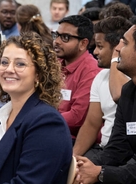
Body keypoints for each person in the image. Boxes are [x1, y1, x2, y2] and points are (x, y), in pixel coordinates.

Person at [0, 31, 72, 184]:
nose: (8, 69)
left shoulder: (47, 123)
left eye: (20, 64)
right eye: (4, 62)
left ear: (38, 75)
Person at [75, 23, 136, 184]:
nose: (118, 50)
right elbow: (117, 148)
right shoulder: (129, 91)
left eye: (125, 44)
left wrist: (100, 173)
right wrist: (78, 166)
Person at [53, 15, 101, 143]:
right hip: (52, 129)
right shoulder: (56, 64)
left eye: (65, 38)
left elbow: (77, 118)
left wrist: (42, 120)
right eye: (56, 35)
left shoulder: (91, 71)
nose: (57, 41)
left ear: (83, 43)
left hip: (73, 139)